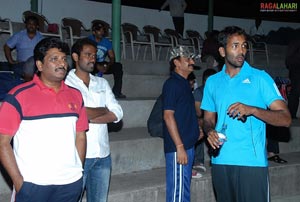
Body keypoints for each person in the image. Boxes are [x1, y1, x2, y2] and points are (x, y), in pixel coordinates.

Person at [201, 26, 291, 202]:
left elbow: (286, 118)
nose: (241, 51)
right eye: (235, 46)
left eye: (244, 46)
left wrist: (253, 110)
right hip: (221, 161)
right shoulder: (212, 82)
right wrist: (209, 131)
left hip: (252, 163)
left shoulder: (260, 78)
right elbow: (207, 119)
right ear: (222, 51)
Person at [0, 37, 88, 202]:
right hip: (33, 185)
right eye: (54, 59)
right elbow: (2, 142)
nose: (62, 63)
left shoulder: (76, 95)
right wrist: (19, 182)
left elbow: (81, 136)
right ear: (39, 65)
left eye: (63, 59)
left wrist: (78, 171)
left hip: (70, 184)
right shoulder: (18, 96)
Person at [65, 38, 123, 202]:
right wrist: (103, 110)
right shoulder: (66, 83)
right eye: (88, 54)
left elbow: (117, 113)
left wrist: (86, 117)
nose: (93, 58)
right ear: (75, 57)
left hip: (103, 155)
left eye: (94, 55)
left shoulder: (101, 82)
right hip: (78, 156)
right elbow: (74, 114)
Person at [162, 46, 200, 202]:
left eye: (192, 59)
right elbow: (168, 116)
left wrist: (196, 130)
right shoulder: (172, 84)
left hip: (187, 145)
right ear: (176, 63)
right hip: (179, 147)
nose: (192, 62)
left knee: (183, 190)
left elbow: (184, 114)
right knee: (177, 194)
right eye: (187, 59)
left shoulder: (184, 83)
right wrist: (179, 147)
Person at [88, 21, 126, 99]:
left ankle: (116, 92)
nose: (101, 32)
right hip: (91, 62)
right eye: (99, 30)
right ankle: (89, 91)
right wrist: (96, 65)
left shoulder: (107, 42)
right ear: (94, 32)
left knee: (118, 66)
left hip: (102, 63)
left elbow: (112, 57)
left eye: (103, 31)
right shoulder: (88, 41)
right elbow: (86, 56)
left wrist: (107, 66)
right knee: (87, 65)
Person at [3, 15, 44, 80]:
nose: (31, 25)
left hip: (36, 65)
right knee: (20, 70)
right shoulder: (18, 35)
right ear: (26, 25)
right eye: (29, 23)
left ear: (37, 26)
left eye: (33, 24)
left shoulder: (41, 38)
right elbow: (7, 46)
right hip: (22, 64)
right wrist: (10, 61)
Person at [193, 68, 217, 172]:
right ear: (205, 81)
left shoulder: (219, 90)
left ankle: (216, 156)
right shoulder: (199, 92)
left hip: (216, 118)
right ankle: (199, 160)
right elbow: (198, 113)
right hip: (201, 118)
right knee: (201, 127)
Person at [286, 39, 300, 119]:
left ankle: (292, 114)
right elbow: (289, 56)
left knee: (295, 92)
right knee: (295, 92)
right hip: (296, 69)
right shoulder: (296, 40)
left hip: (295, 68)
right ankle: (291, 114)